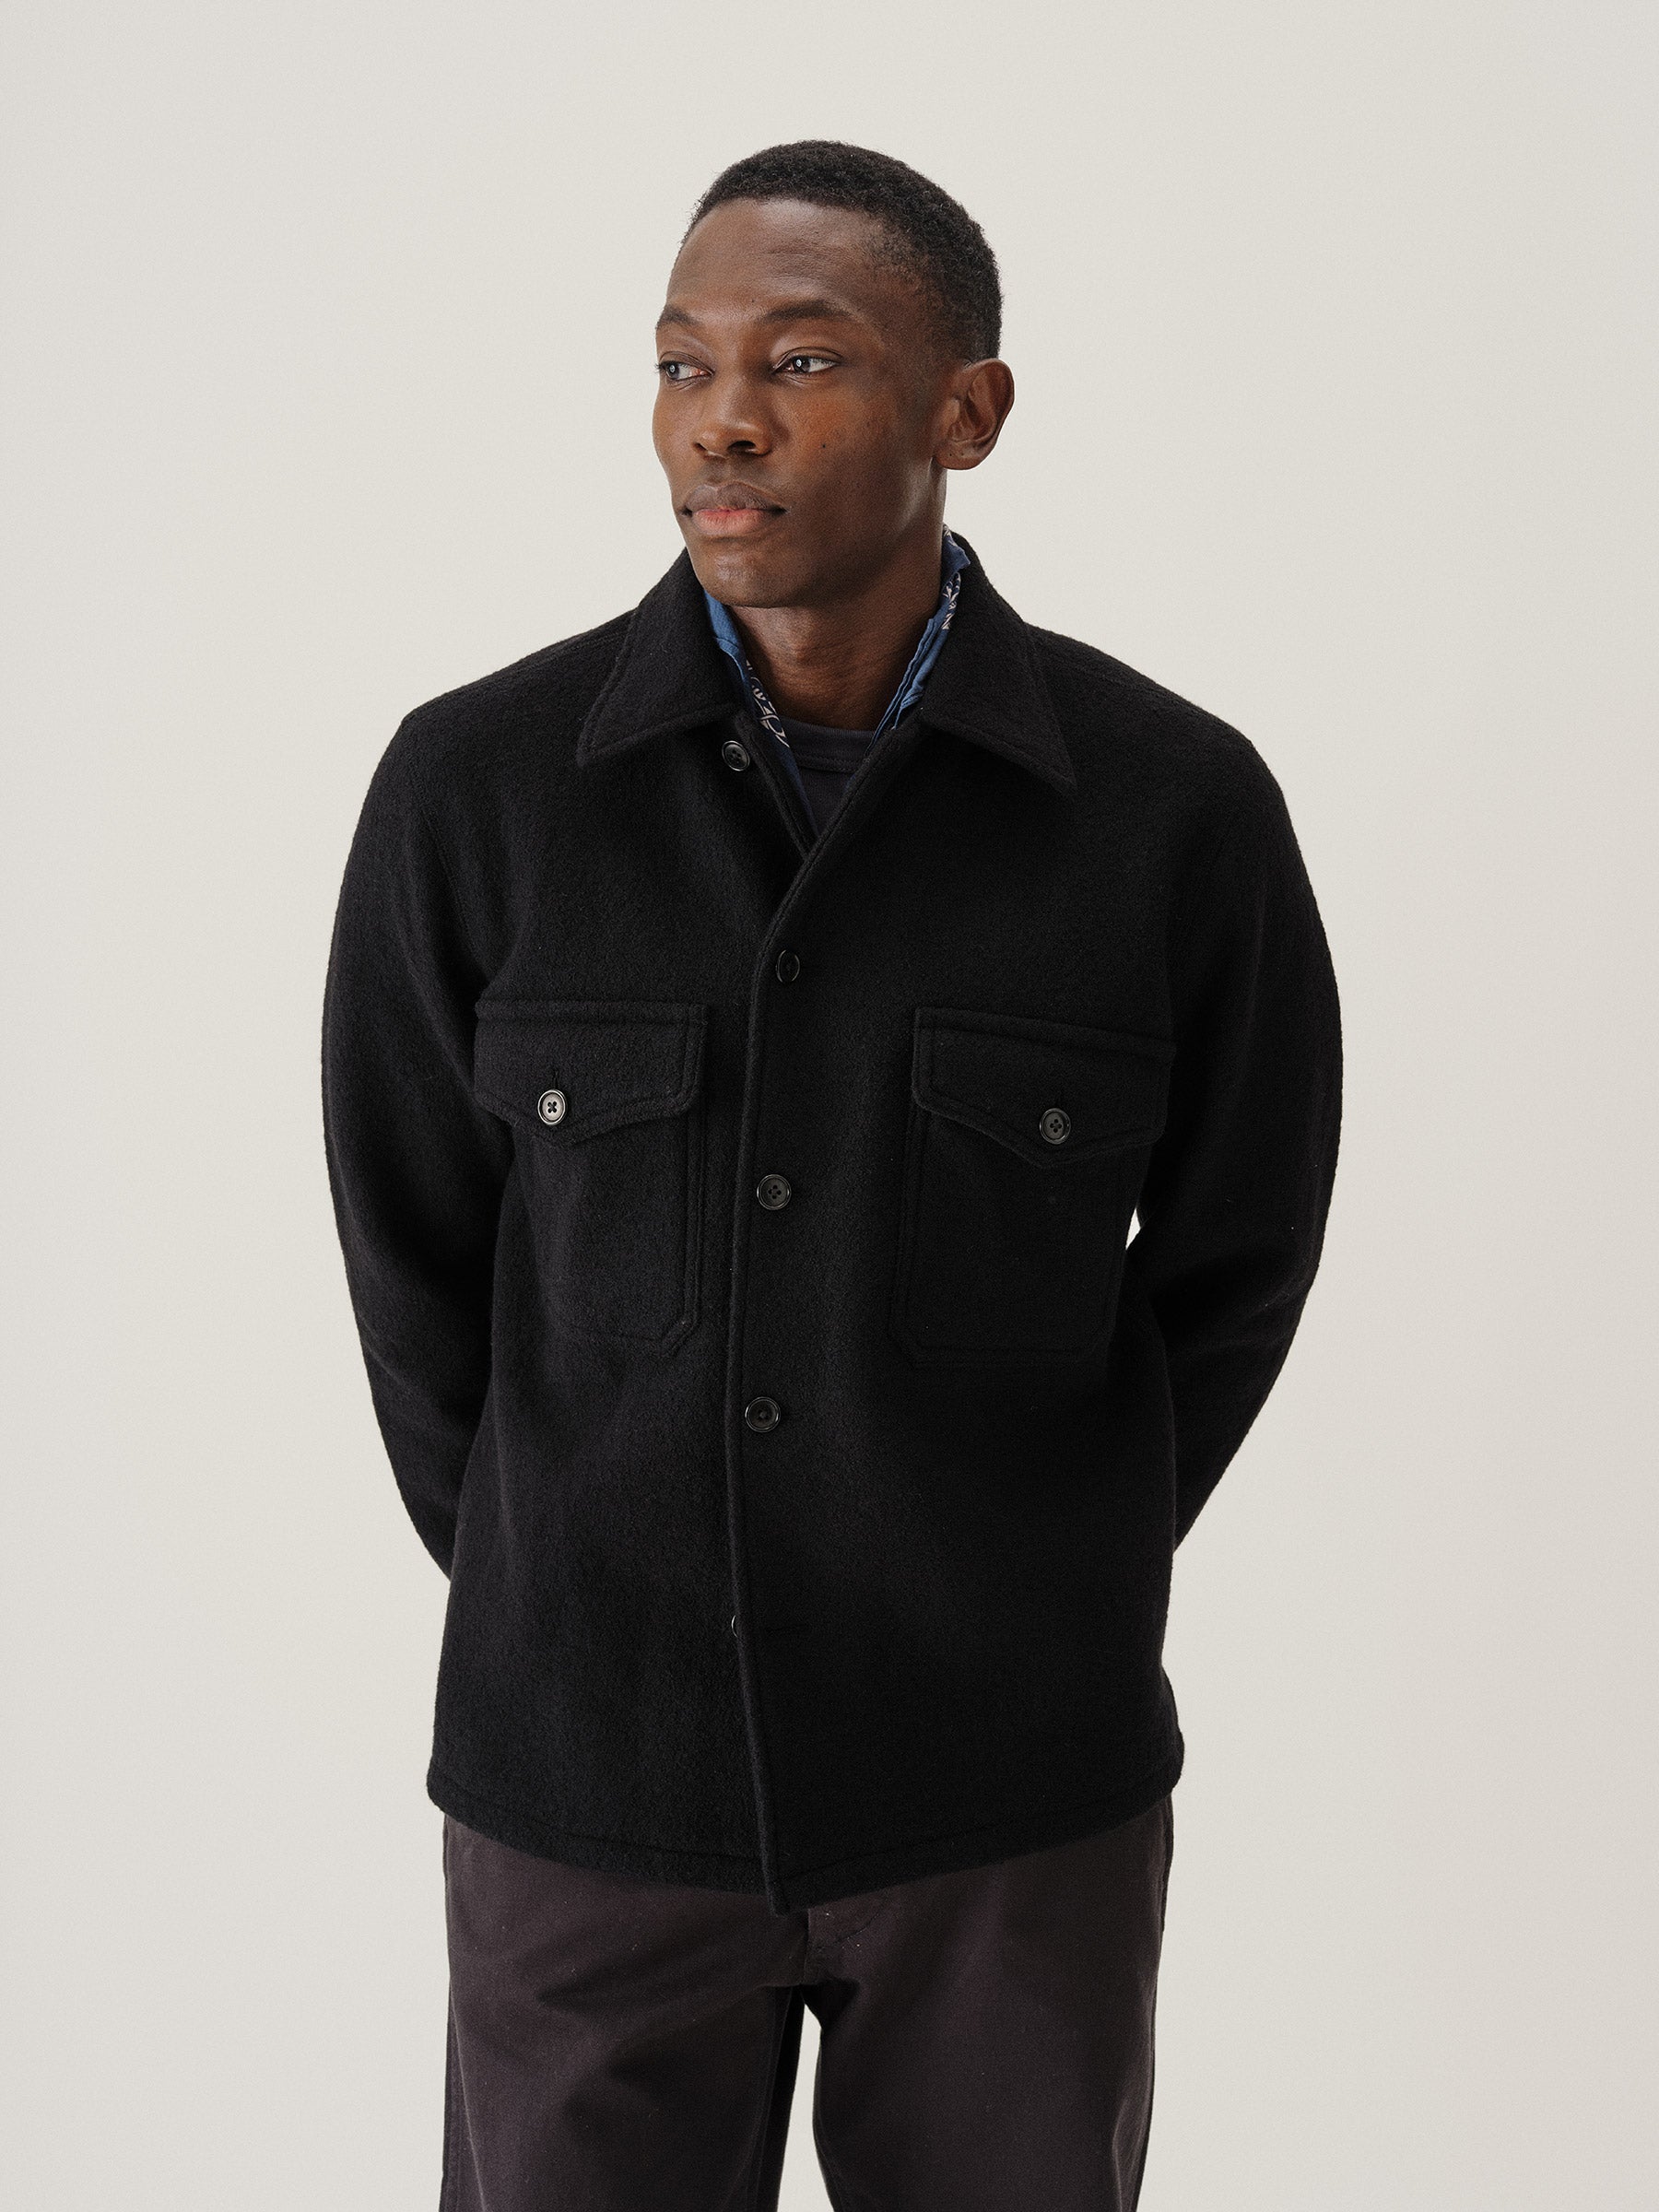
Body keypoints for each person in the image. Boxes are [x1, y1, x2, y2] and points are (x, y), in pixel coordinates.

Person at [322, 139, 1342, 2212]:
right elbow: (414, 1260)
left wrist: (1045, 1560)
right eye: (681, 363)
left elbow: (1239, 1255)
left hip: (1011, 1801)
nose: (723, 418)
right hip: (585, 1797)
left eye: (801, 360)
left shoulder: (1172, 811)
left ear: (968, 410)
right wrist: (567, 1565)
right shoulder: (477, 789)